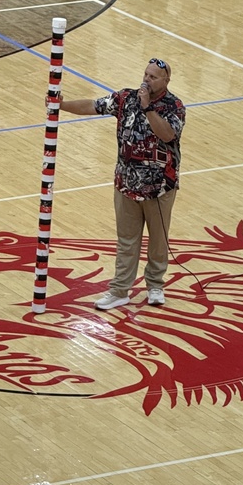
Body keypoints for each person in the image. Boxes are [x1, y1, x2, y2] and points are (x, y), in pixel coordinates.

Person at [58, 58, 185, 310]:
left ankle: (155, 285)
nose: (146, 80)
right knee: (127, 240)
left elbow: (167, 134)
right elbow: (93, 106)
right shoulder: (125, 98)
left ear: (166, 81)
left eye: (153, 77)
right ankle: (119, 290)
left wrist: (148, 108)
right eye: (146, 74)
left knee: (158, 239)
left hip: (158, 187)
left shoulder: (174, 106)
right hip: (126, 184)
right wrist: (61, 105)